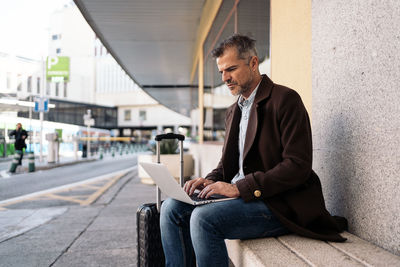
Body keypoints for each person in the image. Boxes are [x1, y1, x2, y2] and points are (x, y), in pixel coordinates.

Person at [160, 34, 347, 267]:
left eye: (231, 69)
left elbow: (297, 166)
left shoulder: (286, 99)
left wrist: (238, 188)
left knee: (203, 219)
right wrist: (207, 182)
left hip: (279, 204)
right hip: (242, 200)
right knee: (171, 208)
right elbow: (228, 166)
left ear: (253, 63)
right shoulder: (233, 111)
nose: (225, 78)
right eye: (221, 72)